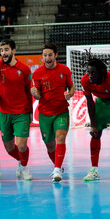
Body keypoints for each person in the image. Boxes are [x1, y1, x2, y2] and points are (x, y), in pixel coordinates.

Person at [0, 39, 33, 180]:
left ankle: (24, 167)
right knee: (9, 148)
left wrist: (31, 112)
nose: (4, 53)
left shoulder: (24, 69)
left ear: (13, 51)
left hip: (21, 112)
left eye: (6, 49)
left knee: (22, 145)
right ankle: (21, 162)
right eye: (2, 50)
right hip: (3, 113)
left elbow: (28, 91)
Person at [80, 51, 110, 181]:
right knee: (95, 134)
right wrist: (93, 125)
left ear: (101, 72)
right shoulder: (85, 80)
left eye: (93, 73)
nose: (90, 75)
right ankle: (94, 170)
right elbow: (90, 103)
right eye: (88, 72)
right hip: (100, 103)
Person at [30, 44, 75, 182]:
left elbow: (71, 87)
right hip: (44, 113)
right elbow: (37, 95)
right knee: (50, 145)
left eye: (50, 55)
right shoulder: (37, 73)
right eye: (45, 55)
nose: (47, 58)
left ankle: (57, 170)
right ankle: (58, 166)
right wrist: (35, 94)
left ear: (56, 55)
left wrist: (70, 94)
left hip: (61, 111)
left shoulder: (64, 70)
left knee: (60, 137)